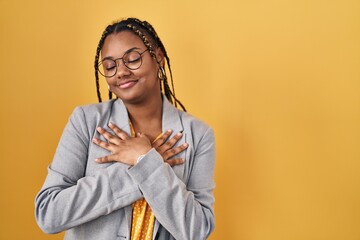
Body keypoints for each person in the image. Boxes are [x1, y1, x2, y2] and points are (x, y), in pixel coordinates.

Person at [35, 17, 215, 240]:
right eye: (110, 66)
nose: (120, 72)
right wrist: (142, 168)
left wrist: (144, 159)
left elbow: (197, 231)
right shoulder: (86, 121)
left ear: (158, 58)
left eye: (132, 59)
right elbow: (49, 213)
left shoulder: (198, 135)